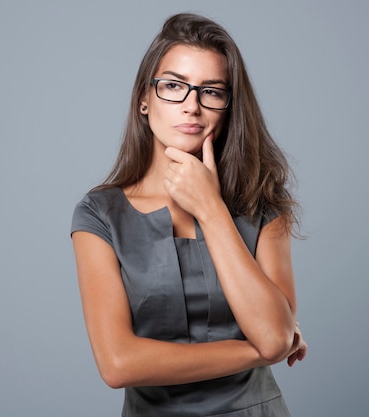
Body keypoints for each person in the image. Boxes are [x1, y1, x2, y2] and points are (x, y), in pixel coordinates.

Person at [71, 13, 307, 417]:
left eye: (211, 91)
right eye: (174, 86)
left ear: (229, 106)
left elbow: (274, 338)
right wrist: (254, 351)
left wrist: (211, 208)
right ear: (144, 99)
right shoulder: (100, 215)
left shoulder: (263, 203)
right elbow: (118, 364)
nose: (192, 106)